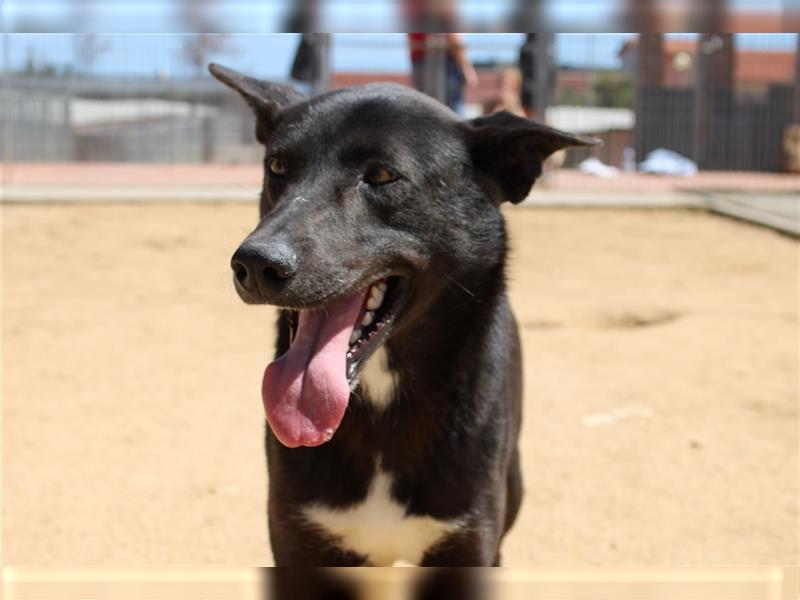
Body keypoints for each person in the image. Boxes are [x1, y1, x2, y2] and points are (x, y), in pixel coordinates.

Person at [407, 32, 477, 114]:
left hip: (420, 62)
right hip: (444, 65)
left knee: (428, 113)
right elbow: (453, 36)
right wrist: (466, 68)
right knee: (453, 115)